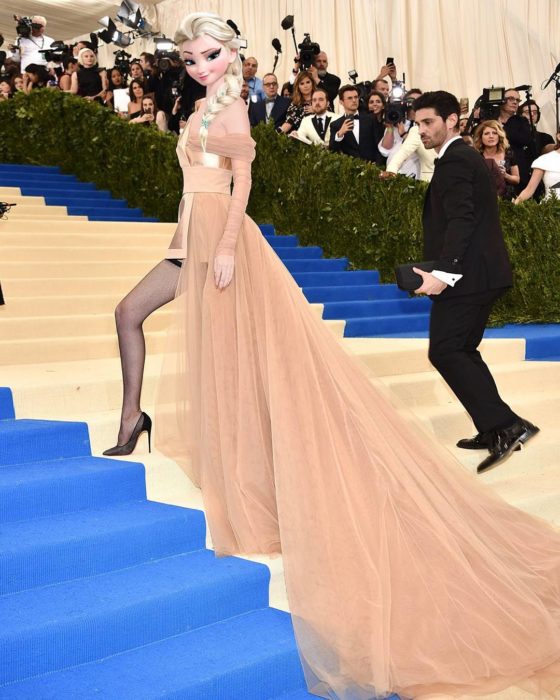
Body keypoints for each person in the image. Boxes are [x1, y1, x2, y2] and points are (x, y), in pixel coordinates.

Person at [105, 12, 560, 700]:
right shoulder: (200, 107)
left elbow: (241, 187)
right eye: (190, 58)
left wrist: (225, 248)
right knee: (128, 313)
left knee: (240, 361)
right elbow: (193, 185)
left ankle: (233, 466)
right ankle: (131, 421)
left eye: (209, 56)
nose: (199, 66)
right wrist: (186, 241)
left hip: (224, 245)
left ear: (231, 55)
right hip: (187, 235)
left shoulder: (230, 118)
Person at [413, 91, 539, 472]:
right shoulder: (463, 157)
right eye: (418, 123)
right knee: (463, 350)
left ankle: (505, 426)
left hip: (468, 276)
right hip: (482, 273)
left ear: (452, 120)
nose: (421, 130)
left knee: (447, 351)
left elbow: (462, 220)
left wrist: (443, 274)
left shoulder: (455, 160)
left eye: (428, 122)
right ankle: (496, 426)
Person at [329, 84, 383, 163]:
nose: (354, 100)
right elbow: (333, 150)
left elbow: (380, 144)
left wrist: (378, 166)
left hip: (373, 168)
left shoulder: (371, 119)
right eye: (350, 98)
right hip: (350, 170)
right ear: (341, 102)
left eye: (356, 97)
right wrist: (340, 134)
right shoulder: (336, 124)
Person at [473, 119, 520, 199]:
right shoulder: (476, 156)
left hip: (507, 200)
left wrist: (505, 175)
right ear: (481, 137)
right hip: (484, 198)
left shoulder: (508, 153)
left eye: (494, 133)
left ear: (499, 135)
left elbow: (517, 179)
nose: (491, 136)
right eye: (486, 133)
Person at [514, 132, 560, 202]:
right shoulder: (544, 160)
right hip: (551, 209)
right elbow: (529, 189)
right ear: (559, 136)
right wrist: (514, 206)